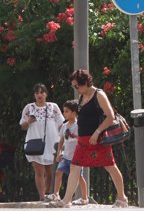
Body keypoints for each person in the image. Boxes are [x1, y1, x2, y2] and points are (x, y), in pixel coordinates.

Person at [50, 69, 128, 208]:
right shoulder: (82, 96)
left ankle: (122, 198)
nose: (76, 89)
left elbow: (111, 117)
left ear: (85, 82)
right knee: (74, 167)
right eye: (74, 87)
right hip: (83, 141)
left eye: (77, 86)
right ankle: (66, 200)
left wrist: (97, 132)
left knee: (110, 166)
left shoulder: (99, 94)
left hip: (97, 140)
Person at [19, 83, 64, 201]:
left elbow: (61, 125)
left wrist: (64, 142)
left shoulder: (53, 107)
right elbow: (22, 126)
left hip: (52, 143)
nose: (39, 95)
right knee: (39, 171)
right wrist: (28, 121)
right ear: (34, 95)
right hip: (34, 142)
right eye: (37, 92)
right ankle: (42, 197)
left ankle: (48, 193)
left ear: (46, 94)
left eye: (42, 92)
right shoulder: (29, 108)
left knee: (50, 172)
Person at [45, 99, 88, 205]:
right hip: (66, 156)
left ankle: (84, 197)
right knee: (58, 172)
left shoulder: (79, 125)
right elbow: (61, 140)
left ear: (74, 112)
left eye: (66, 111)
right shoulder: (64, 126)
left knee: (79, 177)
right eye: (64, 111)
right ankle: (56, 194)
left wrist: (73, 136)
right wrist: (59, 152)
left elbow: (81, 139)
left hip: (76, 157)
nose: (64, 113)